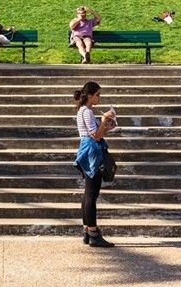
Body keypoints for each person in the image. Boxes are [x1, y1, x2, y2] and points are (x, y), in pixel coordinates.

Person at [74, 80, 116, 248]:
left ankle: (87, 231)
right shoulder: (87, 112)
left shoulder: (83, 110)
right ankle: (93, 233)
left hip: (86, 150)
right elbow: (95, 136)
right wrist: (104, 119)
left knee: (88, 193)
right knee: (92, 193)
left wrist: (107, 125)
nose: (100, 97)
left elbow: (96, 132)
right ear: (89, 96)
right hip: (92, 152)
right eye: (97, 95)